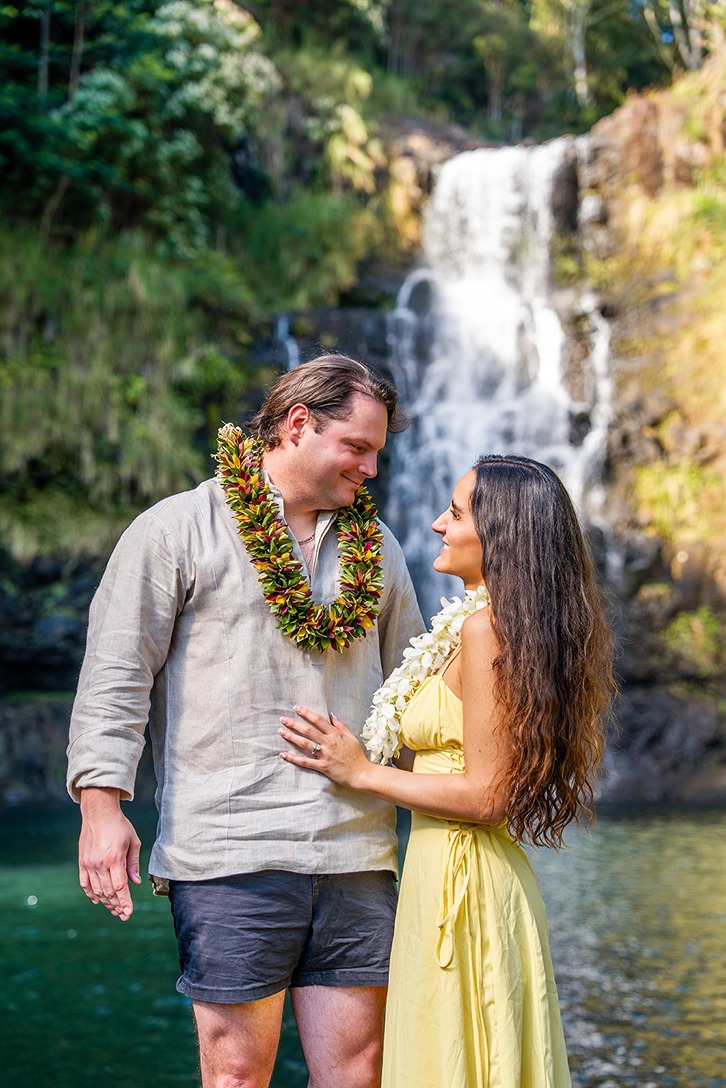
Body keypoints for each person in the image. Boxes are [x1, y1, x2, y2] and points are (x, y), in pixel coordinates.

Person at [66, 354, 424, 1088]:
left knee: (361, 1072)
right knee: (235, 1075)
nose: (371, 469)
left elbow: (415, 690)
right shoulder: (175, 531)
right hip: (229, 849)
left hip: (356, 851)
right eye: (357, 447)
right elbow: (115, 675)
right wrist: (101, 807)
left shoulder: (378, 549)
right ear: (298, 424)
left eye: (378, 453)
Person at [279, 454, 616, 1088]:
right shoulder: (489, 623)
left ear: (503, 536)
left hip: (466, 882)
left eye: (456, 513)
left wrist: (360, 772)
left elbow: (490, 795)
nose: (436, 524)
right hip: (449, 872)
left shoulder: (489, 630)